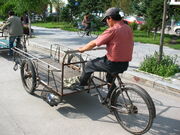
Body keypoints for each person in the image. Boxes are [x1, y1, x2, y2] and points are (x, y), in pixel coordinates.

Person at [74, 7, 134, 101]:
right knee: (109, 77)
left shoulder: (112, 30)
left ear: (110, 18)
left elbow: (95, 42)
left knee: (89, 65)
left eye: (106, 20)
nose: (106, 22)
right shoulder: (127, 28)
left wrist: (83, 49)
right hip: (125, 63)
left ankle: (81, 85)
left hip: (113, 63)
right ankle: (112, 99)